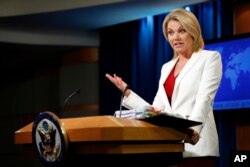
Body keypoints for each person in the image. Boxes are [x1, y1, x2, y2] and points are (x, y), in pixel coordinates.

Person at [105, 8, 222, 166]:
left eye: (181, 31)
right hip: (171, 146)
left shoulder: (209, 58)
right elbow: (156, 110)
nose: (176, 37)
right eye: (171, 32)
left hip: (197, 145)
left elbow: (204, 99)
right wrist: (128, 92)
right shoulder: (166, 67)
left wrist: (192, 131)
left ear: (193, 31)